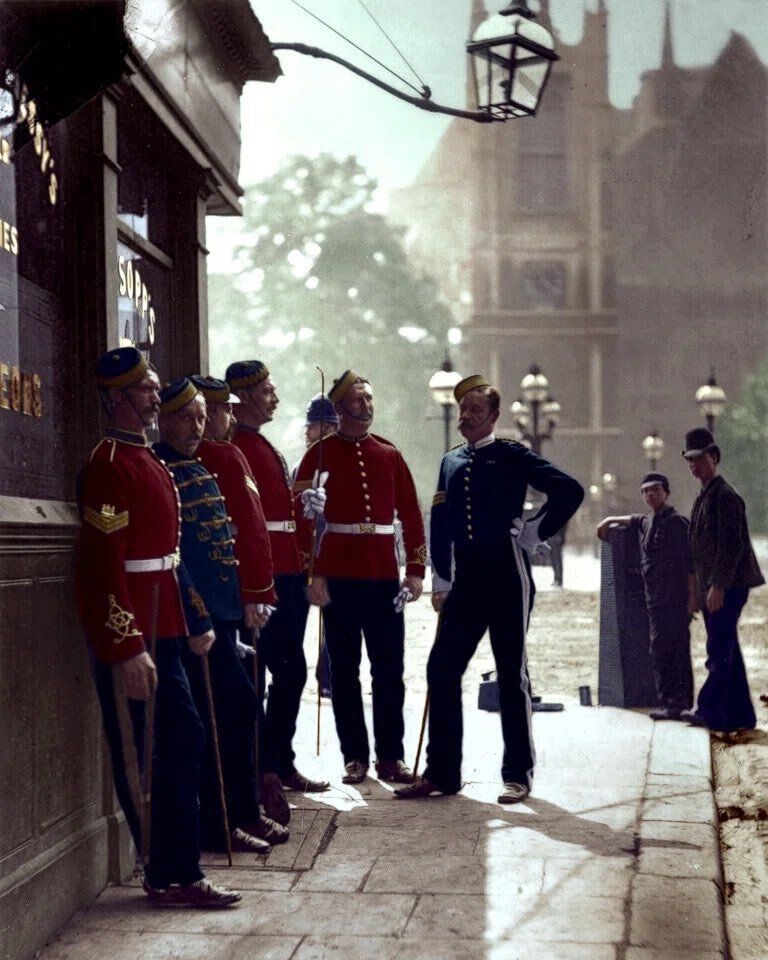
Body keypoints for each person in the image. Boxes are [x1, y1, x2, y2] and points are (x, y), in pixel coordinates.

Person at [76, 347, 239, 908]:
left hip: (165, 624)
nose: (155, 395)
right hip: (135, 633)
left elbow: (171, 556)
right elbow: (103, 565)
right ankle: (166, 872)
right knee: (146, 753)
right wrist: (126, 647)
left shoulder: (146, 458)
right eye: (146, 388)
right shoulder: (108, 464)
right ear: (117, 397)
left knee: (183, 738)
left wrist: (195, 618)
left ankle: (180, 869)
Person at [395, 374, 583, 804]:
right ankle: (442, 773)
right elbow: (440, 523)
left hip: (506, 575)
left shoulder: (512, 455)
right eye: (463, 409)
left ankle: (517, 775)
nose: (465, 416)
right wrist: (441, 580)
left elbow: (569, 490)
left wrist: (535, 531)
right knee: (441, 668)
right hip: (466, 581)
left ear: (494, 416)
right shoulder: (450, 461)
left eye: (475, 410)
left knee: (510, 674)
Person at [154, 378, 288, 851]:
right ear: (165, 421)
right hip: (193, 619)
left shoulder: (198, 464)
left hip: (220, 612)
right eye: (188, 419)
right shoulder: (163, 469)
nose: (197, 428)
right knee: (224, 712)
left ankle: (240, 813)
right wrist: (202, 617)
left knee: (235, 708)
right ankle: (226, 821)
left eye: (200, 418)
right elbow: (177, 558)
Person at [295, 370, 426, 785]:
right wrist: (313, 574)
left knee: (389, 670)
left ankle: (391, 757)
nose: (366, 405)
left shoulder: (389, 454)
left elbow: (412, 515)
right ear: (338, 408)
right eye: (357, 400)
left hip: (384, 576)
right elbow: (301, 520)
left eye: (369, 398)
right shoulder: (318, 456)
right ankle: (355, 757)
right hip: (339, 577)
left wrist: (415, 572)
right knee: (344, 671)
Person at [226, 360, 329, 793]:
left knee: (289, 671)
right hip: (260, 576)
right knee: (269, 673)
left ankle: (275, 762)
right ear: (245, 397)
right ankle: (265, 765)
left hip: (285, 570)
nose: (276, 398)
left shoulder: (259, 444)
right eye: (267, 391)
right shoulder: (235, 446)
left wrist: (305, 505)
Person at [190, 374, 288, 826]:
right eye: (224, 409)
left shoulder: (208, 455)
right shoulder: (227, 456)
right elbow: (251, 527)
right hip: (224, 599)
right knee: (240, 703)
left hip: (210, 599)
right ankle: (248, 799)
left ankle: (248, 798)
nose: (229, 417)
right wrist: (258, 593)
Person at [680, 427, 764, 731]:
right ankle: (742, 715)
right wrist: (696, 591)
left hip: (728, 586)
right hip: (714, 586)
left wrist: (718, 586)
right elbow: (697, 549)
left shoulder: (726, 497)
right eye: (690, 460)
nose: (694, 465)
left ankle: (709, 709)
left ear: (714, 457)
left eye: (699, 459)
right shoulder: (705, 497)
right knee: (727, 647)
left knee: (718, 648)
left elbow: (732, 547)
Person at [597, 472, 695, 720]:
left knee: (676, 652)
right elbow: (634, 519)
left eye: (656, 490)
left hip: (675, 599)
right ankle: (668, 702)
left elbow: (691, 565)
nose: (651, 494)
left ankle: (678, 704)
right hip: (656, 600)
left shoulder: (677, 524)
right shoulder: (649, 522)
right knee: (660, 651)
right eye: (646, 491)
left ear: (666, 493)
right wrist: (609, 519)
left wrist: (693, 599)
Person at [295, 393, 339, 699]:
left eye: (314, 425)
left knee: (333, 618)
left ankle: (327, 675)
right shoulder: (302, 465)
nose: (309, 431)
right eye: (312, 426)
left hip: (331, 551)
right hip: (302, 553)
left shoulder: (341, 463)